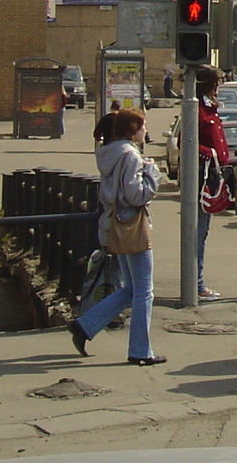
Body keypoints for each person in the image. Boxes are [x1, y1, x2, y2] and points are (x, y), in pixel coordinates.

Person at [67, 108, 165, 365]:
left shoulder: (110, 153)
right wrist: (153, 175)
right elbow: (134, 195)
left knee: (131, 287)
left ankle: (85, 325)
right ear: (133, 129)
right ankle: (140, 351)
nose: (146, 131)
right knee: (145, 290)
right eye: (143, 127)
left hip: (113, 223)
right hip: (131, 225)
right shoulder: (131, 155)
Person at [194, 66, 230, 299]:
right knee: (198, 232)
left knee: (203, 232)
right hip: (201, 175)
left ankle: (197, 282)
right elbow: (185, 142)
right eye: (214, 82)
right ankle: (196, 284)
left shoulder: (210, 108)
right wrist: (210, 153)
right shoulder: (196, 110)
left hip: (213, 173)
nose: (218, 85)